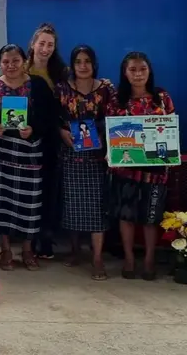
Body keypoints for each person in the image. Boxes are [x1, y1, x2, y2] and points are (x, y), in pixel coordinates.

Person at [0, 24, 67, 259]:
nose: (45, 48)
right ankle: (10, 245)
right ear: (32, 44)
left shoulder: (59, 73)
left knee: (41, 194)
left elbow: (56, 109)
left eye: (50, 44)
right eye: (41, 43)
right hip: (7, 148)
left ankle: (42, 241)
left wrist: (37, 129)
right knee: (7, 197)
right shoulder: (9, 74)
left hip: (45, 141)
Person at [0, 44, 55, 271]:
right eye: (6, 62)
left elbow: (50, 117)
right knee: (2, 202)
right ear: (0, 64)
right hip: (0, 156)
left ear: (24, 61)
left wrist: (34, 129)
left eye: (15, 61)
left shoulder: (37, 86)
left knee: (30, 203)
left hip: (30, 156)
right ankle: (6, 248)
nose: (10, 66)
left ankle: (27, 249)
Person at [105, 51, 175, 281]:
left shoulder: (162, 97)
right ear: (125, 73)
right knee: (126, 215)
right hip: (126, 168)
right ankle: (129, 259)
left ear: (149, 70)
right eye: (132, 70)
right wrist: (110, 152)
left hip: (156, 170)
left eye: (142, 69)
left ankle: (149, 260)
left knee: (151, 217)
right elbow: (110, 133)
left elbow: (172, 127)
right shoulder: (117, 101)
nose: (138, 74)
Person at [54, 45, 115, 280]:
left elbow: (115, 117)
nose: (82, 65)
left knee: (97, 207)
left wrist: (102, 133)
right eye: (78, 61)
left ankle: (97, 257)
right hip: (70, 154)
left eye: (87, 61)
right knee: (72, 204)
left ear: (94, 63)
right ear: (72, 64)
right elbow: (52, 117)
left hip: (97, 156)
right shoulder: (61, 89)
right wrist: (61, 133)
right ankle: (74, 249)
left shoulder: (106, 89)